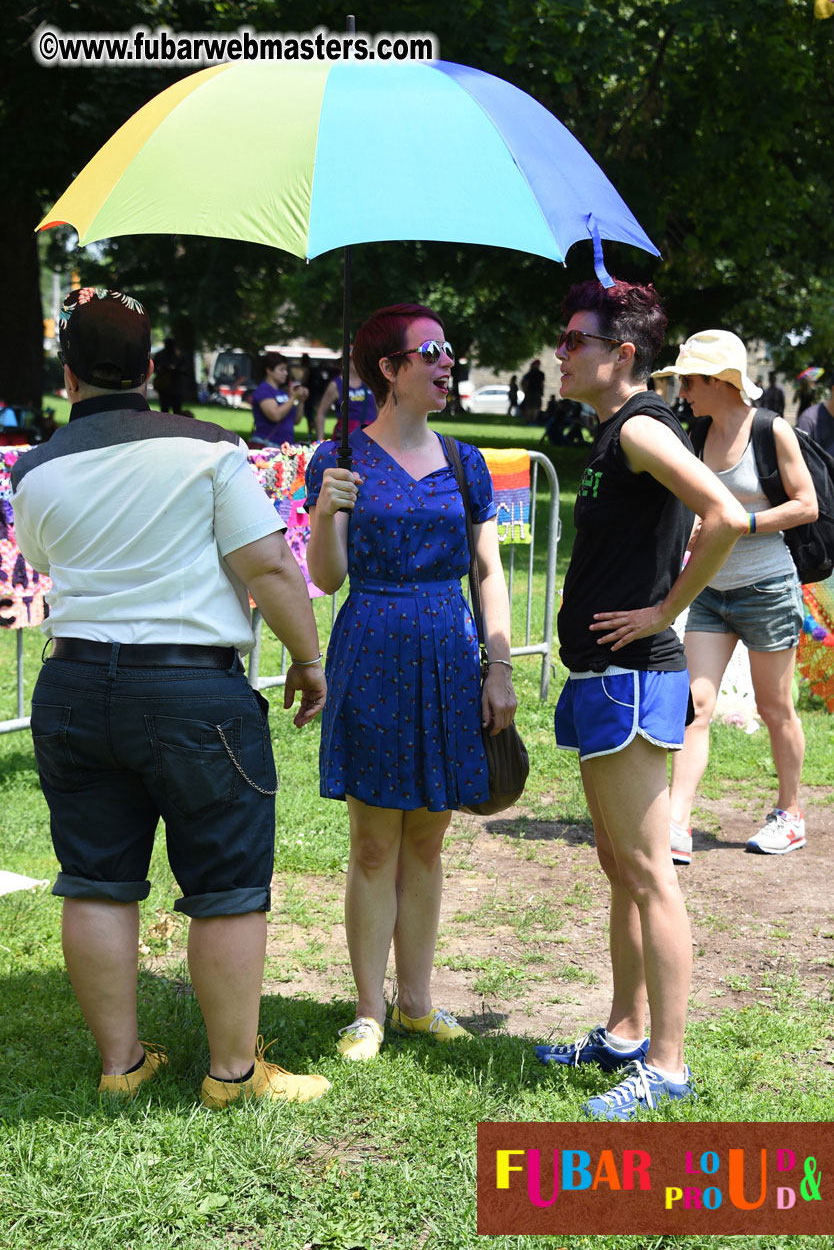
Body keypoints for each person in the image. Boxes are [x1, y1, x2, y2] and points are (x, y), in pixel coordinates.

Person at [10, 288, 330, 1108]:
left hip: (75, 686)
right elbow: (265, 568)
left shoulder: (36, 467)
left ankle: (121, 1065)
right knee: (225, 882)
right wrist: (309, 655)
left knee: (92, 877)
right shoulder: (212, 451)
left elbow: (45, 554)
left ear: (69, 372)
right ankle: (233, 1072)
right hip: (192, 690)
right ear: (151, 369)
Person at [533, 282, 747, 1120]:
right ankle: (625, 1031)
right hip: (601, 678)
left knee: (651, 873)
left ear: (622, 354)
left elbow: (725, 514)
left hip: (631, 681)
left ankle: (668, 1062)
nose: (561, 350)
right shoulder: (614, 433)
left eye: (573, 337)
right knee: (620, 866)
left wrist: (666, 609)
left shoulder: (644, 425)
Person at [304, 303, 516, 1062]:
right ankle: (368, 1010)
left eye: (448, 350)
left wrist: (499, 666)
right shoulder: (341, 459)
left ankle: (419, 1003)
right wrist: (328, 511)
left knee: (427, 841)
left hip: (449, 653)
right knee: (372, 845)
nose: (446, 362)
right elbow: (326, 580)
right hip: (371, 646)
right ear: (388, 370)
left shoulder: (466, 461)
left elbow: (487, 569)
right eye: (429, 351)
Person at [654, 331, 818, 859]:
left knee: (774, 708)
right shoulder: (694, 433)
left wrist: (739, 522)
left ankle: (790, 815)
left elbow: (805, 505)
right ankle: (677, 823)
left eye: (690, 380)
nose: (684, 391)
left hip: (766, 589)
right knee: (695, 706)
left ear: (719, 381)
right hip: (708, 589)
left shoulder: (773, 430)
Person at [250, 352, 309, 448]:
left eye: (286, 370)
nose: (285, 373)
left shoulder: (282, 392)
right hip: (267, 445)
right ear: (269, 370)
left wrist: (301, 401)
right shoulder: (264, 390)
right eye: (281, 370)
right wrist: (293, 397)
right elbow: (275, 415)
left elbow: (296, 420)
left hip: (284, 446)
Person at [314, 355, 377, 441]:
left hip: (370, 439)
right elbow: (321, 413)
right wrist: (320, 440)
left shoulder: (371, 382)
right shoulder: (336, 385)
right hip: (345, 440)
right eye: (356, 359)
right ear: (346, 361)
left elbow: (380, 410)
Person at [796, 374, 834, 453]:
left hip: (802, 410)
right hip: (808, 413)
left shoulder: (800, 391)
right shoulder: (809, 420)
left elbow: (795, 401)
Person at [152, 336, 188, 414]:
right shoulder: (160, 355)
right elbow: (154, 368)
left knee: (176, 411)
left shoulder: (179, 355)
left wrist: (176, 370)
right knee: (165, 410)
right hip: (164, 386)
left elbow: (185, 369)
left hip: (175, 387)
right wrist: (163, 370)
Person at [520, 359, 545, 423]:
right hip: (536, 392)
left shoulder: (528, 374)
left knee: (529, 406)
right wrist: (542, 391)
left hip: (529, 392)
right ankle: (533, 421)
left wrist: (524, 390)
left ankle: (528, 420)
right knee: (535, 407)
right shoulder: (541, 374)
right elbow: (542, 384)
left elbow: (525, 383)